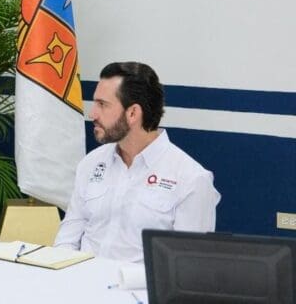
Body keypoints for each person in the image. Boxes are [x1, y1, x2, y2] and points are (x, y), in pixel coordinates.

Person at [54, 62, 220, 262]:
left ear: (132, 113)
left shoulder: (191, 179)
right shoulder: (90, 164)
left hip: (141, 291)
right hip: (81, 287)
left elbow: (188, 267)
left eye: (102, 104)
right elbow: (67, 239)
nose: (92, 114)